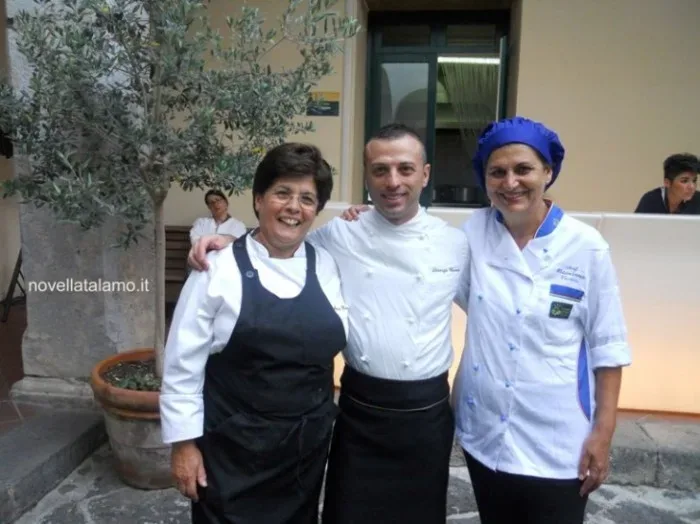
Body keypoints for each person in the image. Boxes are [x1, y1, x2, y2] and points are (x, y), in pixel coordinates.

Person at [187, 123, 469, 523]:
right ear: (366, 176)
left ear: (425, 174)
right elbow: (280, 247)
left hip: (426, 413)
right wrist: (231, 245)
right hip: (360, 410)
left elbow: (488, 311)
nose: (393, 182)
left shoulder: (455, 243)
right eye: (380, 170)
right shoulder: (340, 234)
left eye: (405, 169)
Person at [451, 116, 632, 523]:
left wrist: (603, 433)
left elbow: (608, 346)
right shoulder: (473, 234)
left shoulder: (585, 246)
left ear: (548, 172)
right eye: (497, 172)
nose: (510, 182)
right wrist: (365, 218)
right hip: (484, 437)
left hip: (557, 442)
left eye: (524, 169)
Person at [159, 143, 349, 523]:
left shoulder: (327, 264)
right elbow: (182, 364)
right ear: (259, 199)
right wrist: (183, 445)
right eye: (282, 193)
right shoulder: (217, 268)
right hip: (232, 455)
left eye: (307, 198)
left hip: (304, 454)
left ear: (316, 210)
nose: (294, 207)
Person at [634, 153, 700, 214]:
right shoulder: (650, 200)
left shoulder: (698, 199)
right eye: (684, 181)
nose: (692, 186)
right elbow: (636, 223)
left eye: (694, 180)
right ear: (667, 183)